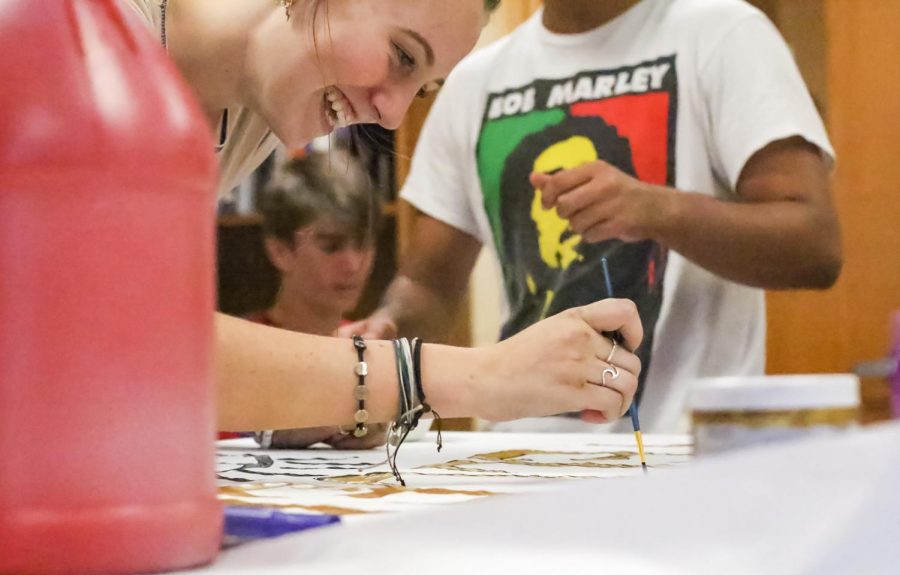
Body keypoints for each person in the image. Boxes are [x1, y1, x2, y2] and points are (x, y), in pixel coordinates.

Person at [114, 0, 644, 434]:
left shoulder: (256, 108)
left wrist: (326, 397)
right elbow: (119, 346)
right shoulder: (80, 33)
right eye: (402, 55)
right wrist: (476, 376)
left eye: (422, 89)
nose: (392, 113)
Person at [341, 0, 842, 433]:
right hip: (517, 459)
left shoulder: (724, 34)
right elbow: (426, 283)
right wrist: (388, 328)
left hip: (682, 461)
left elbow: (813, 243)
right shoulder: (474, 81)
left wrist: (657, 210)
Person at [245, 149, 387, 448]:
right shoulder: (235, 351)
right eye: (331, 245)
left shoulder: (372, 350)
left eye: (363, 243)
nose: (353, 263)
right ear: (280, 251)